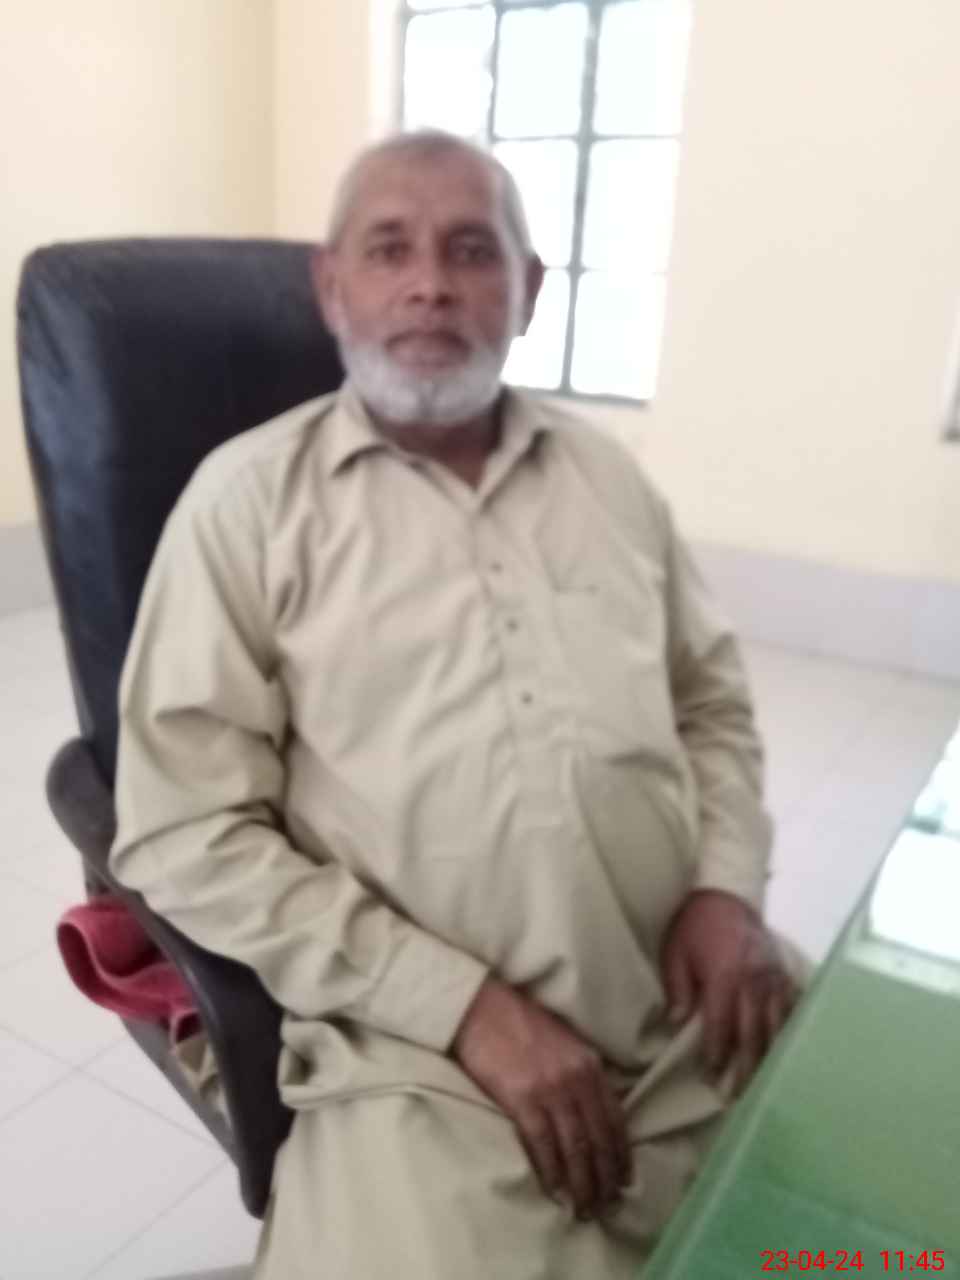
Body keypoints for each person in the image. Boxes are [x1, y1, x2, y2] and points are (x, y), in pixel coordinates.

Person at [110, 129, 801, 1279]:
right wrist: (464, 1007)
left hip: (691, 1002)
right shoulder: (245, 509)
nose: (430, 282)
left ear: (529, 289)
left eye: (472, 250)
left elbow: (712, 704)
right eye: (390, 249)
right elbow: (183, 830)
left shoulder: (609, 480)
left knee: (877, 1208)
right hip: (423, 1066)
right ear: (333, 289)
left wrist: (727, 884)